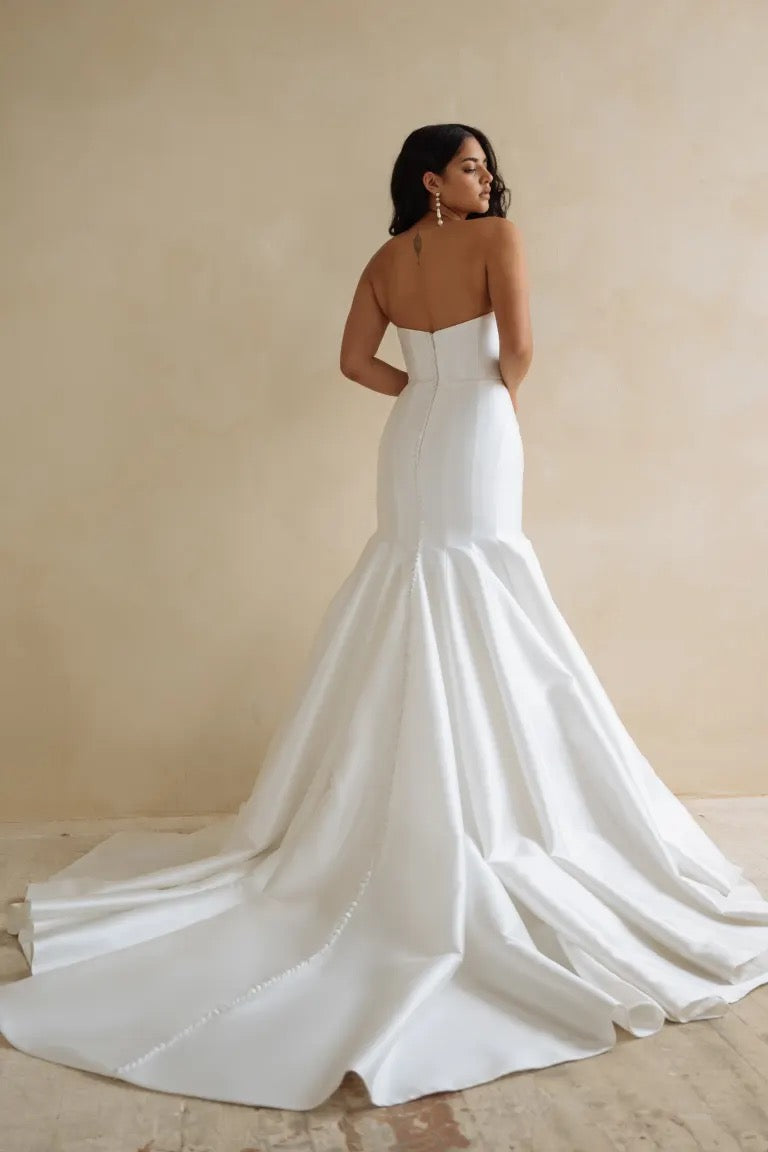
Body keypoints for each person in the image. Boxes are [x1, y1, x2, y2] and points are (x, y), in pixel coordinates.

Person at [1, 122, 768, 1113]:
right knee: (482, 580)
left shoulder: (382, 258)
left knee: (417, 581)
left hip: (416, 432)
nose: (487, 179)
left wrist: (428, 396)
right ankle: (484, 801)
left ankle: (399, 803)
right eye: (471, 166)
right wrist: (485, 402)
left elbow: (355, 363)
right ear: (430, 178)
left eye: (488, 167)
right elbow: (523, 348)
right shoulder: (498, 238)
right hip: (479, 423)